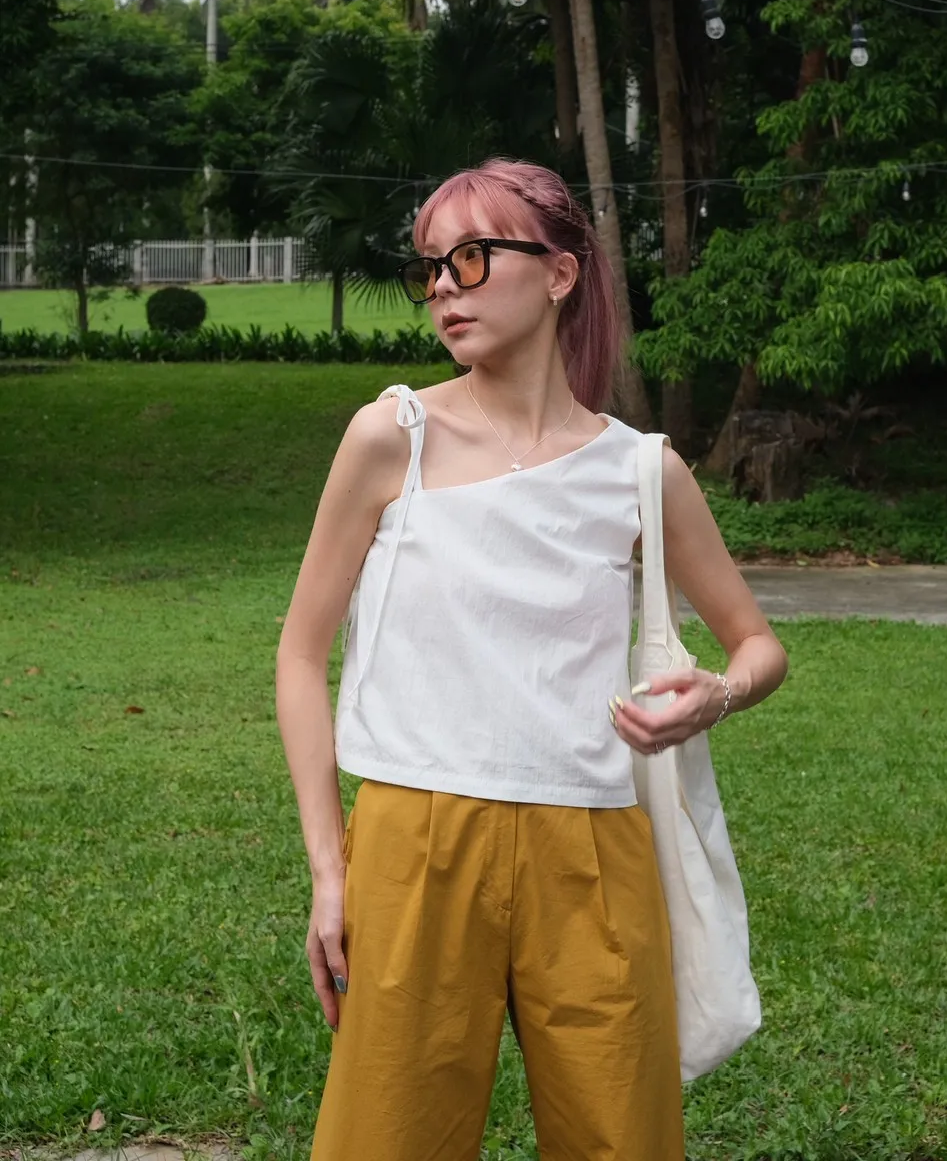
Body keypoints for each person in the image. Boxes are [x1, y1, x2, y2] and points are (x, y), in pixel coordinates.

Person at [276, 158, 789, 1161]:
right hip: (414, 839)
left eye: (471, 257)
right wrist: (330, 870)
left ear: (559, 273)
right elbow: (300, 656)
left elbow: (758, 644)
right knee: (389, 1141)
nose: (443, 287)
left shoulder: (640, 468)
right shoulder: (392, 437)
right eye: (430, 267)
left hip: (594, 847)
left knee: (621, 1140)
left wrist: (716, 694)